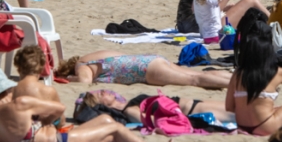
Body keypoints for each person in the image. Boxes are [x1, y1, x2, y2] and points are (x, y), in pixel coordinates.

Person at [0, 68, 178, 142]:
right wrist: (45, 123)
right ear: (7, 89)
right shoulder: (21, 104)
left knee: (106, 121)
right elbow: (59, 108)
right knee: (115, 129)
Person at [57, 50, 232, 91]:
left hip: (146, 70)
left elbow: (84, 81)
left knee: (196, 80)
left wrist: (70, 79)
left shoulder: (82, 65)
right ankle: (239, 79)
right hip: (150, 60)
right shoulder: (92, 56)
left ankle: (240, 84)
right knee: (198, 75)